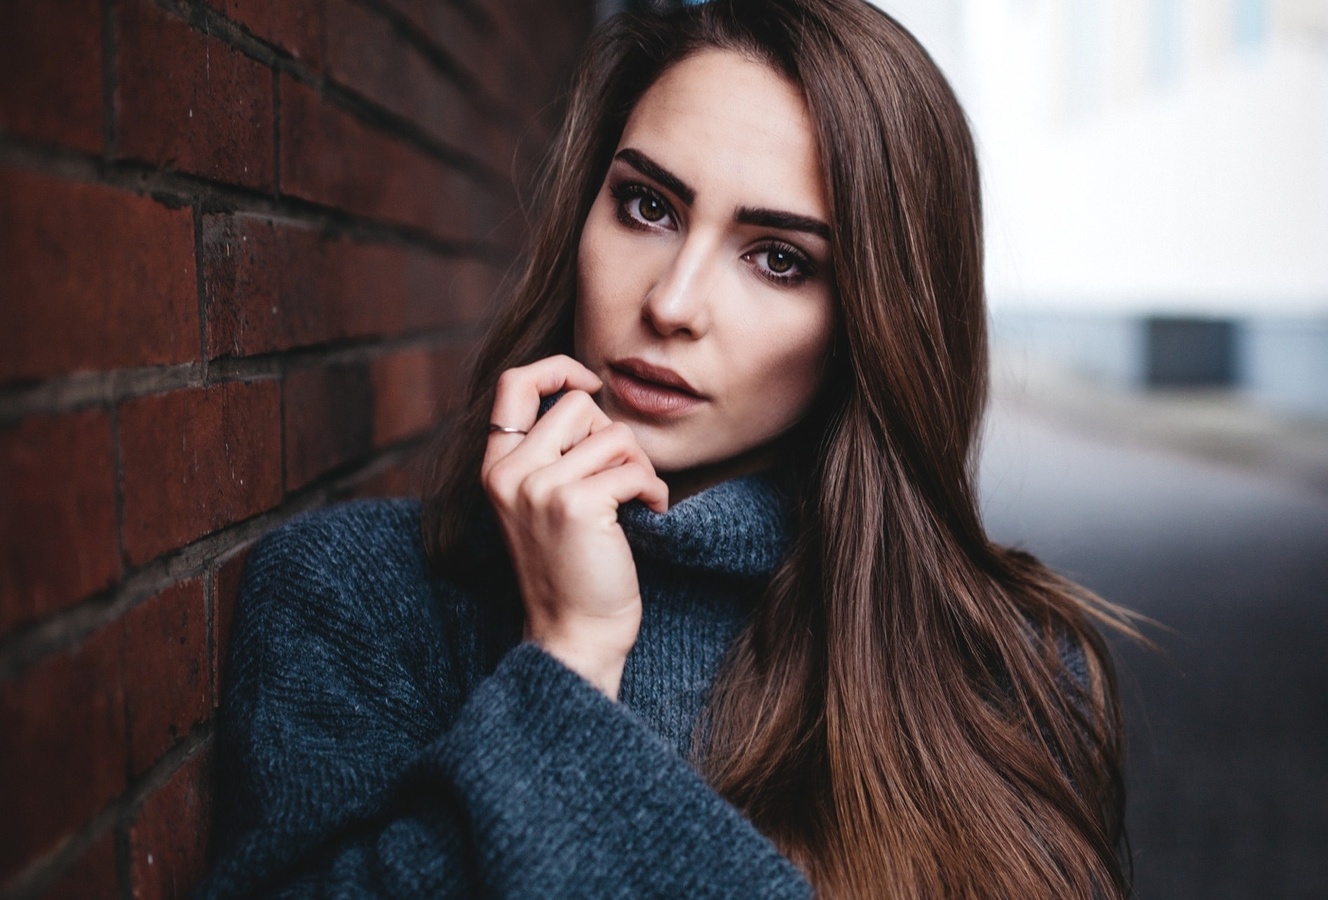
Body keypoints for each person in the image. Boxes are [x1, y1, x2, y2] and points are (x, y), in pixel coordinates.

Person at [198, 0, 1136, 897]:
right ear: (582, 213)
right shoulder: (355, 598)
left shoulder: (999, 666)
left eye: (779, 259)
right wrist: (567, 666)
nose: (673, 304)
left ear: (871, 322)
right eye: (648, 206)